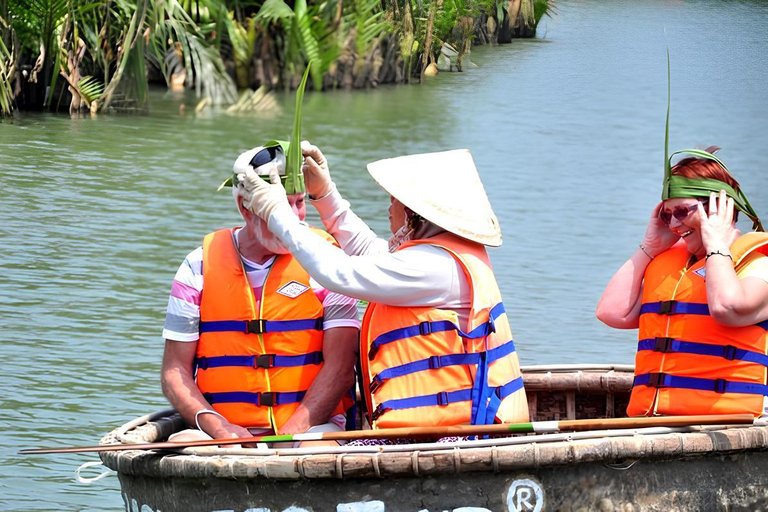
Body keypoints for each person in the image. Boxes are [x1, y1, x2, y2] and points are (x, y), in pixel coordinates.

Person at [239, 144, 529, 429]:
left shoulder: (433, 267)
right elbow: (367, 251)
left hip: (461, 433)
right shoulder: (443, 255)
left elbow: (338, 271)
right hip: (456, 425)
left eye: (394, 200)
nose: (389, 207)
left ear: (416, 213)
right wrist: (325, 195)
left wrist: (278, 213)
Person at [160, 145, 360, 446]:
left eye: (299, 203)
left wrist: (287, 437)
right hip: (223, 431)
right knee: (181, 446)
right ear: (245, 207)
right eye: (280, 207)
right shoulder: (197, 267)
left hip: (312, 430)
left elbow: (342, 369)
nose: (294, 218)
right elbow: (174, 372)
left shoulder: (327, 262)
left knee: (312, 450)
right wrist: (219, 428)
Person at [596, 146, 768, 417]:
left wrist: (715, 243)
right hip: (654, 420)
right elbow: (612, 313)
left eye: (682, 212)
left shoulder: (758, 265)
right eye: (666, 215)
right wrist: (648, 248)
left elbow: (727, 308)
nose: (674, 225)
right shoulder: (671, 267)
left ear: (717, 209)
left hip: (727, 423)